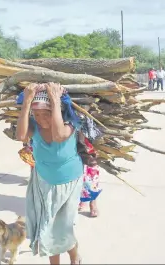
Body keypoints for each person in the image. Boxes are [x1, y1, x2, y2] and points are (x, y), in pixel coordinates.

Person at [16, 82, 83, 265]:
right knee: (48, 228)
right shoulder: (33, 126)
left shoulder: (70, 123)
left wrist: (54, 98)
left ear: (57, 111)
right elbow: (21, 136)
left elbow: (59, 136)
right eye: (36, 114)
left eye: (46, 114)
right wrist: (27, 101)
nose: (41, 119)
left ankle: (74, 254)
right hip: (43, 180)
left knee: (62, 228)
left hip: (69, 182)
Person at [78, 136, 102, 218]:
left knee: (91, 168)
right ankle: (80, 198)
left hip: (87, 134)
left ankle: (92, 201)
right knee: (78, 169)